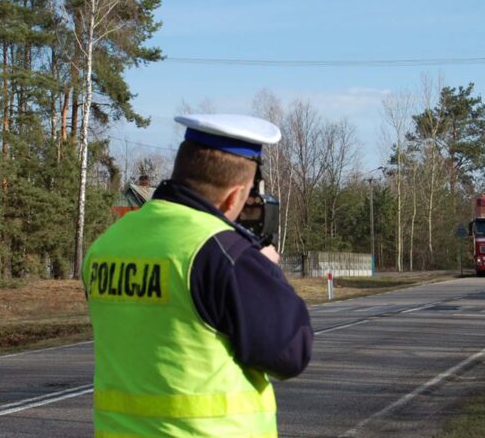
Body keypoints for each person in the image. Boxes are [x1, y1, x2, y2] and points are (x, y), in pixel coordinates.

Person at [83, 114, 313, 437]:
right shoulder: (225, 254)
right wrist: (269, 272)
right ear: (234, 196)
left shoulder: (105, 246)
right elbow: (290, 353)